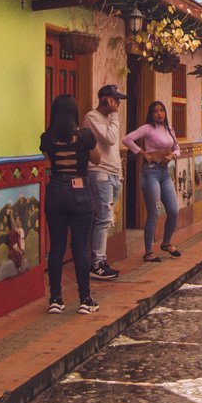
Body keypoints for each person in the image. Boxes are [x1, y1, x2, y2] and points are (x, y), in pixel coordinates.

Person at [39, 94, 100, 315]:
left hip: (55, 190)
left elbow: (48, 156)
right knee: (80, 248)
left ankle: (55, 299)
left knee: (56, 247)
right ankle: (85, 299)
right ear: (74, 112)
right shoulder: (84, 136)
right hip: (79, 191)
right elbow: (97, 159)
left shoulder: (47, 138)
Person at [123, 101, 182, 262]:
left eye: (161, 110)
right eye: (155, 111)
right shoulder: (147, 128)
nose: (159, 114)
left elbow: (177, 148)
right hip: (150, 172)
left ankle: (167, 242)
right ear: (151, 114)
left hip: (164, 173)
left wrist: (173, 155)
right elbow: (127, 139)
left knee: (173, 210)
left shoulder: (170, 130)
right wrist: (142, 152)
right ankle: (148, 251)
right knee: (153, 213)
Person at [84, 84, 126, 281]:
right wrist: (116, 115)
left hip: (113, 175)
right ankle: (97, 264)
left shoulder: (109, 120)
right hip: (100, 174)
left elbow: (114, 147)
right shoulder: (92, 117)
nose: (117, 103)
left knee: (104, 219)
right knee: (103, 219)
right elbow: (109, 140)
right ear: (105, 99)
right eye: (115, 99)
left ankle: (98, 259)